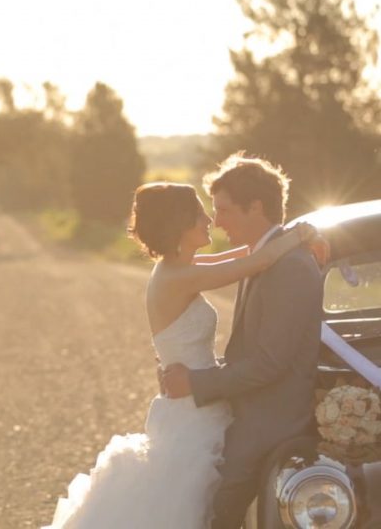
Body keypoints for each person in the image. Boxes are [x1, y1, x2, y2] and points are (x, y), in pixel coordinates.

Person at [45, 169, 316, 528]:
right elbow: (256, 261)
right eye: (201, 214)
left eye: (216, 211)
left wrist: (288, 238)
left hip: (202, 397)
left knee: (200, 502)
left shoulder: (182, 267)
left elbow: (247, 255)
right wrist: (304, 233)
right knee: (189, 504)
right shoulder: (178, 277)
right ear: (180, 225)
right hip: (192, 405)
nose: (210, 221)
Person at [163, 154, 324, 529]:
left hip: (269, 424)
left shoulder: (289, 267)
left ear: (256, 207)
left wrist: (196, 382)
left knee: (210, 509)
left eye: (225, 210)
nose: (217, 222)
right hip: (249, 413)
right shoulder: (267, 256)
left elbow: (270, 363)